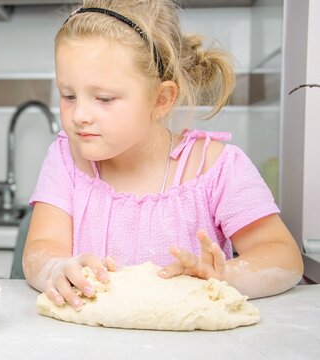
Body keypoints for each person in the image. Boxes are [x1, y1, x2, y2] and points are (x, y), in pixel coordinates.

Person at [23, 0, 304, 311]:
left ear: (161, 99)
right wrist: (54, 268)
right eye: (68, 95)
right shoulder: (66, 158)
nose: (79, 115)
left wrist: (225, 275)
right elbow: (41, 249)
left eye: (103, 98)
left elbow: (284, 257)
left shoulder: (216, 167)